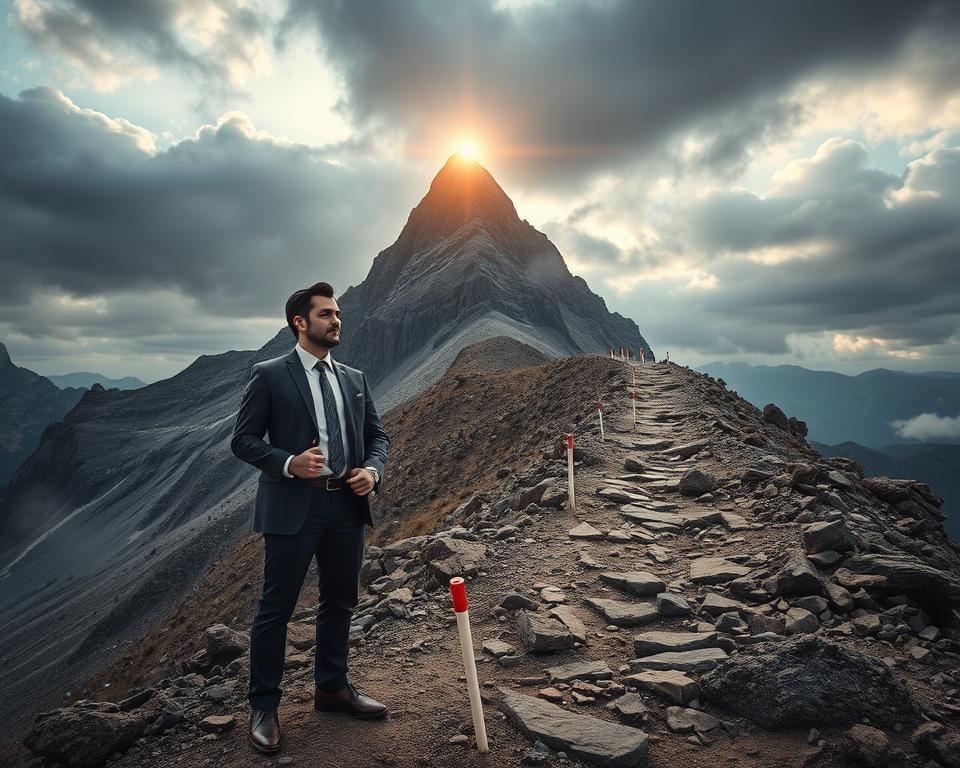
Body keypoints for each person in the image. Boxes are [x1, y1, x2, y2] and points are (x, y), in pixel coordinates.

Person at [231, 281, 390, 754]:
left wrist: (373, 472)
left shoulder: (355, 378)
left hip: (346, 503)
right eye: (325, 314)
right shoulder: (270, 374)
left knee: (341, 600)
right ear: (300, 322)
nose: (336, 320)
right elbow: (243, 440)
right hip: (292, 506)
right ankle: (264, 706)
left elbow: (378, 436)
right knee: (275, 609)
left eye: (337, 313)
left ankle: (332, 688)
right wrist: (288, 462)